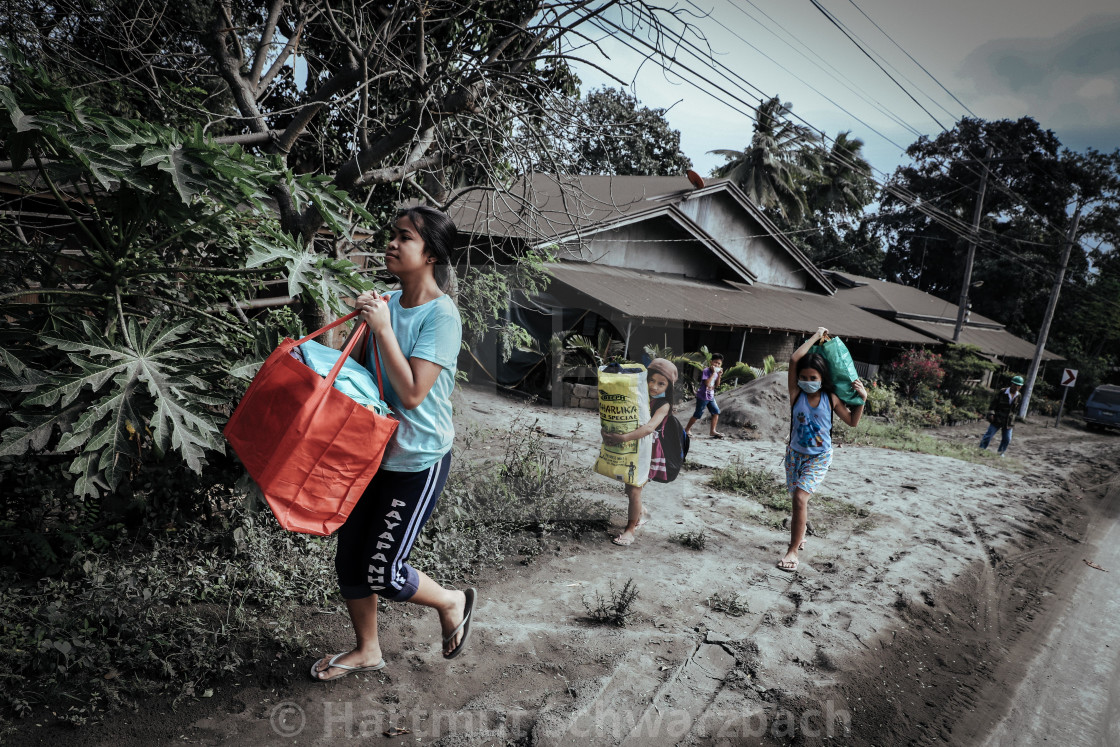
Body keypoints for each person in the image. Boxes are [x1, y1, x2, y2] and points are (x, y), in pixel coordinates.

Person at [311, 206, 476, 681]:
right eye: (393, 234)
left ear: (431, 254)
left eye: (404, 237)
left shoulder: (442, 317)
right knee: (350, 560)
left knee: (383, 570)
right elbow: (358, 375)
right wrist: (361, 325)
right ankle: (367, 649)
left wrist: (382, 327)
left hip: (417, 460)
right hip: (371, 454)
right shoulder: (385, 301)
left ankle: (452, 600)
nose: (392, 243)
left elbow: (411, 392)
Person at [779, 327, 867, 572]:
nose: (807, 382)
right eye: (804, 378)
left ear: (822, 378)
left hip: (819, 457)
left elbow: (852, 422)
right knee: (797, 501)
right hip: (795, 455)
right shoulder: (795, 394)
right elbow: (795, 358)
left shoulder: (831, 398)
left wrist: (863, 399)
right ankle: (801, 533)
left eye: (813, 378)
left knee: (799, 498)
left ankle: (793, 550)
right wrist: (817, 336)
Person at [601, 358, 678, 546]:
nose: (654, 386)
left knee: (635, 489)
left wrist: (622, 438)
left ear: (668, 387)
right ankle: (642, 512)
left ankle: (630, 530)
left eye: (661, 383)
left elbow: (650, 427)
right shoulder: (639, 395)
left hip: (647, 450)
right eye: (651, 380)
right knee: (630, 487)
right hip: (631, 447)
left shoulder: (663, 405)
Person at [980, 375, 1024, 457]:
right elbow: (993, 404)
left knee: (1007, 439)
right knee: (988, 436)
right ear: (1011, 384)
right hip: (997, 418)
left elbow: (1016, 409)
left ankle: (1000, 453)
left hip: (1008, 421)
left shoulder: (1019, 396)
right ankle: (981, 450)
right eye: (1014, 384)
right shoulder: (1003, 392)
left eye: (1018, 385)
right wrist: (991, 414)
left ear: (1020, 386)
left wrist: (1015, 418)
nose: (1015, 387)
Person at [686, 353, 724, 438]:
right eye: (715, 362)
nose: (717, 365)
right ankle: (687, 429)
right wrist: (713, 373)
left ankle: (712, 431)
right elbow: (706, 383)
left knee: (716, 412)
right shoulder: (706, 371)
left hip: (711, 396)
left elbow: (717, 385)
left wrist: (719, 375)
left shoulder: (717, 372)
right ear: (711, 362)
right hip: (703, 396)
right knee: (698, 414)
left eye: (719, 363)